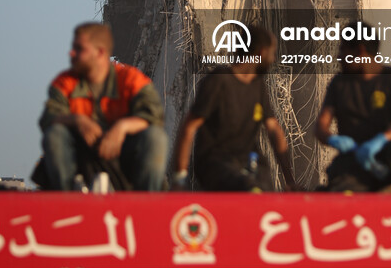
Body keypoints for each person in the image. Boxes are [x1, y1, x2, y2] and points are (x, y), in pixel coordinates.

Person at [39, 22, 169, 191]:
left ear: (100, 52)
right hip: (82, 156)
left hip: (124, 158)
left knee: (155, 137)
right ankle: (67, 199)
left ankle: (148, 202)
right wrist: (78, 120)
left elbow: (155, 117)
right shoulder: (65, 82)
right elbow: (48, 117)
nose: (72, 53)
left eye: (79, 49)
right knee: (55, 134)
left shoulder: (131, 79)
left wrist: (122, 127)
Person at [172, 26, 296, 191]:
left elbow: (273, 129)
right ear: (260, 53)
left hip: (247, 161)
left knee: (265, 189)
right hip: (215, 162)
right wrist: (179, 179)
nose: (273, 59)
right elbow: (189, 127)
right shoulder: (219, 80)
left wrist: (290, 181)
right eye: (272, 53)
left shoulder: (258, 86)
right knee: (248, 187)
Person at [315, 25, 391, 191]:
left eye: (343, 50)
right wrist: (333, 139)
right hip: (355, 159)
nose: (339, 57)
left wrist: (382, 139)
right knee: (340, 182)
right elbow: (321, 126)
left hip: (390, 155)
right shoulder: (339, 83)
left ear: (360, 51)